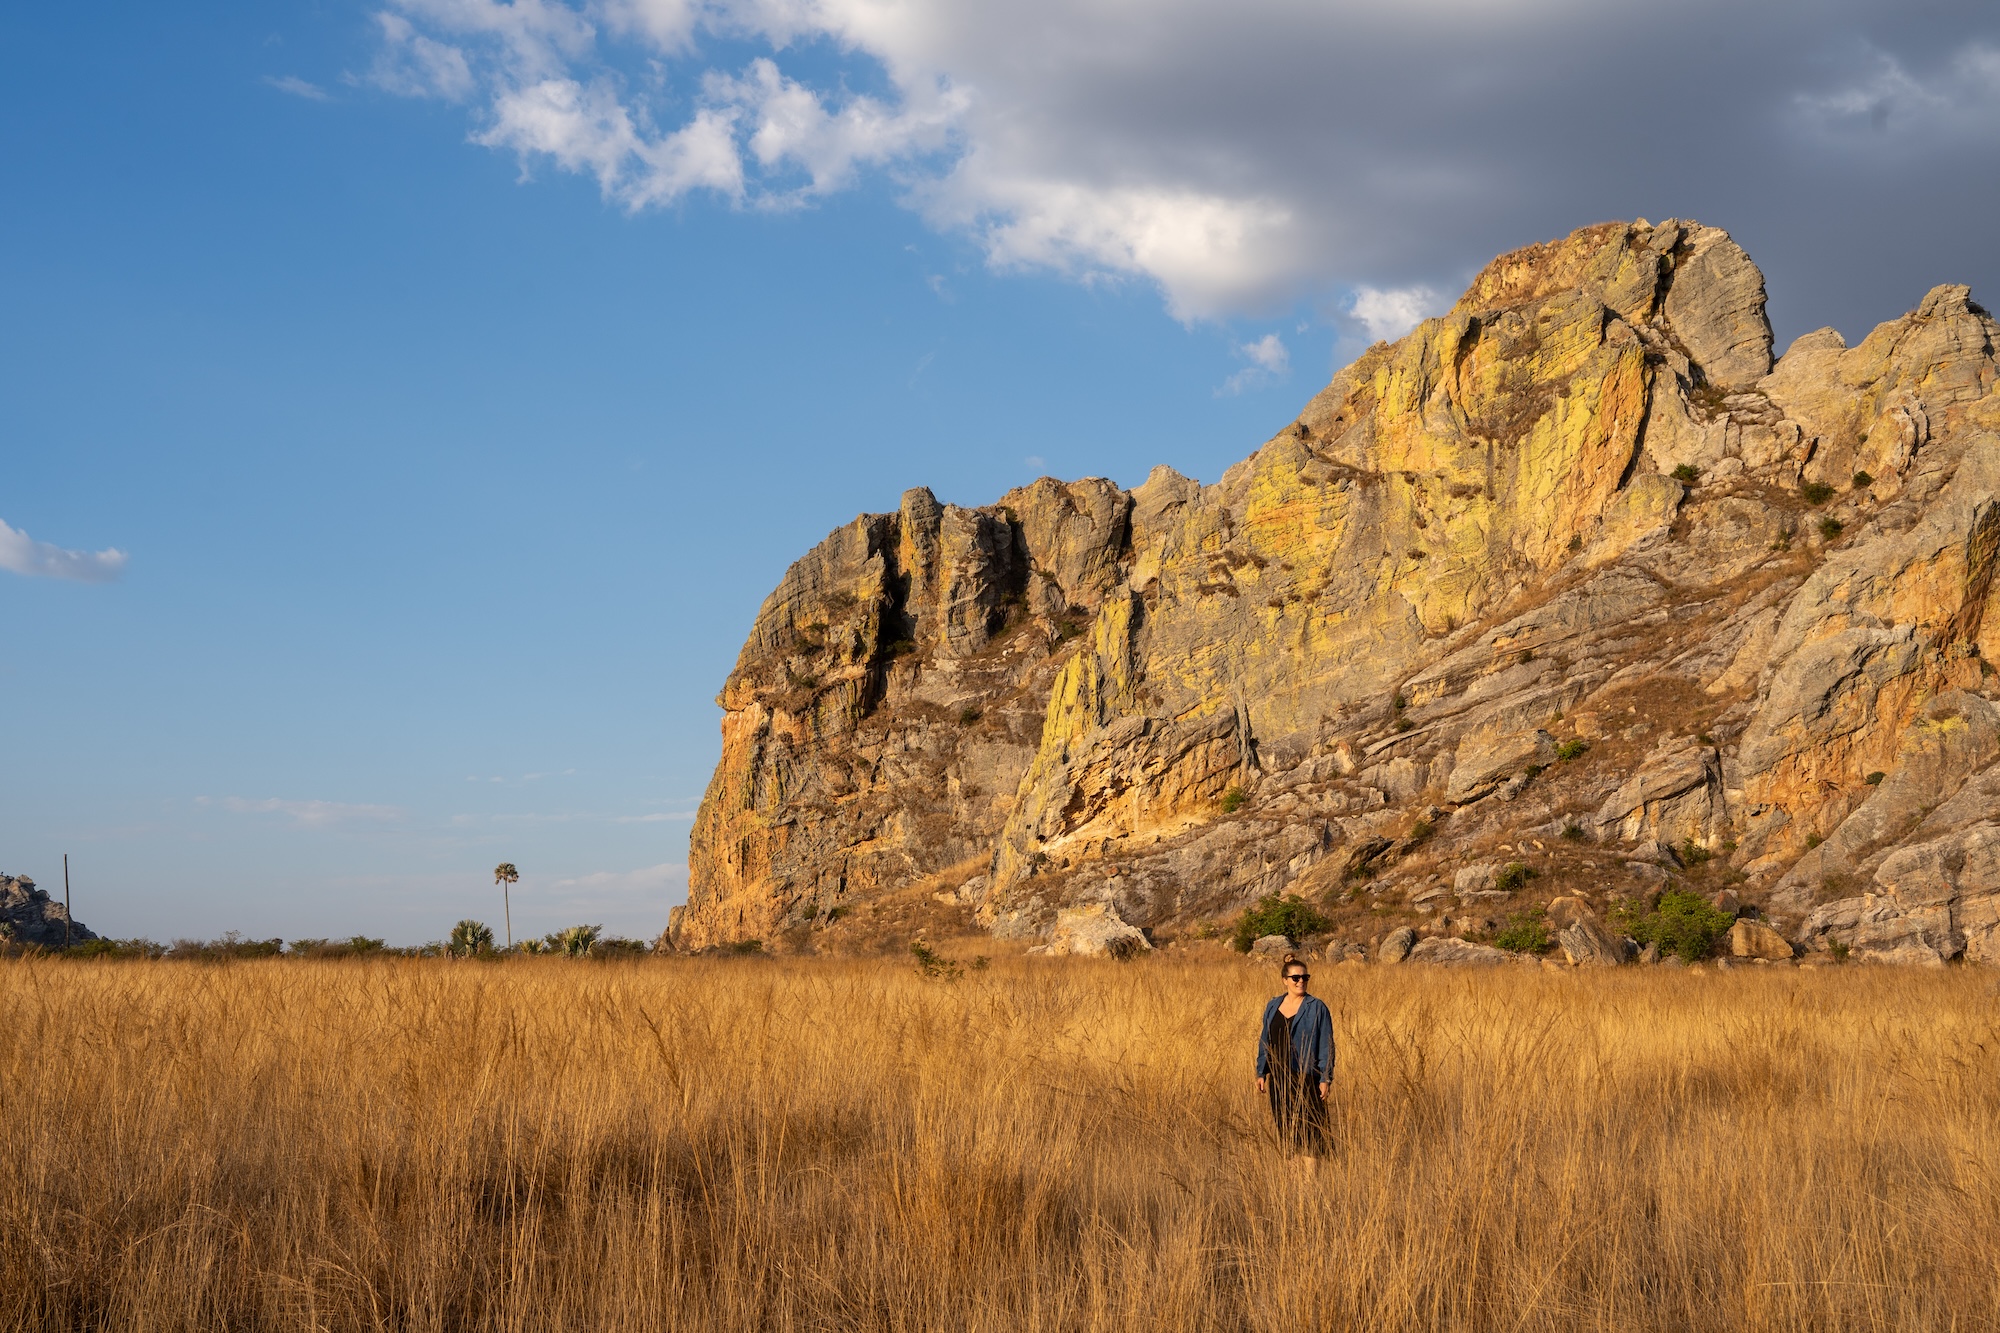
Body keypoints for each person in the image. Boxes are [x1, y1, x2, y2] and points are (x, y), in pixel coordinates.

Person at [1255, 953, 1334, 1161]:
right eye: (1296, 978)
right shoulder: (1273, 1006)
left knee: (1311, 1130)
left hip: (1305, 1076)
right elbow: (1265, 1039)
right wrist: (1261, 1071)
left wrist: (1325, 1078)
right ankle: (1294, 1186)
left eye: (1305, 977)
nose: (1301, 981)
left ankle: (1309, 1187)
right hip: (1279, 1077)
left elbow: (1326, 1045)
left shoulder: (1317, 1007)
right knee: (1287, 1130)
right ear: (1285, 980)